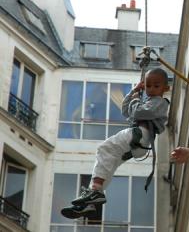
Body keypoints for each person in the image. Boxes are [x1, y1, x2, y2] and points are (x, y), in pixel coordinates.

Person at [61, 68, 170, 219]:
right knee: (110, 162)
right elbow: (126, 111)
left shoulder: (160, 102)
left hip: (140, 135)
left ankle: (95, 192)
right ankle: (92, 200)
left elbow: (138, 113)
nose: (151, 89)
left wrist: (137, 100)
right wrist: (133, 93)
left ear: (166, 88)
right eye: (148, 86)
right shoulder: (147, 102)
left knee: (104, 148)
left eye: (156, 86)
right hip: (137, 141)